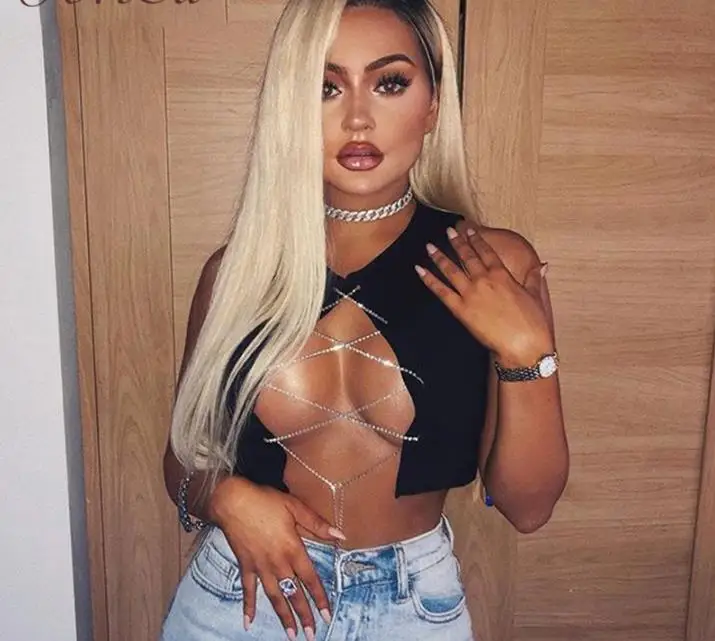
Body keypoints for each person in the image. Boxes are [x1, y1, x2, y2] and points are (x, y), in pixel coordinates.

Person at [160, 0, 569, 640]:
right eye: (325, 88)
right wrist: (225, 497)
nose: (357, 117)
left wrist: (527, 353)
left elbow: (528, 508)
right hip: (242, 599)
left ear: (432, 106)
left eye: (390, 83)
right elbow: (182, 461)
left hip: (412, 609)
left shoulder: (490, 265)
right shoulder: (236, 273)